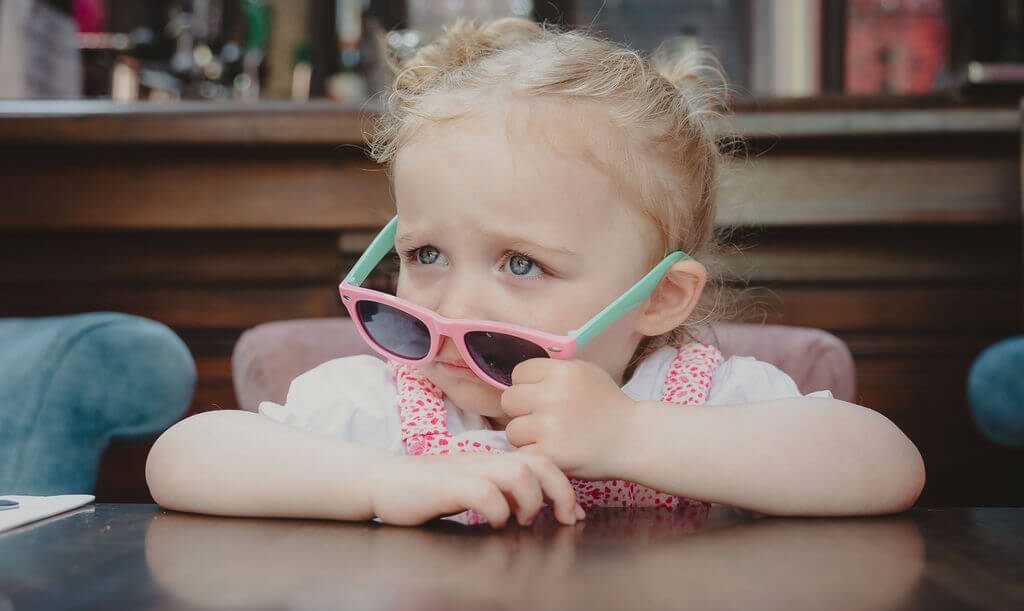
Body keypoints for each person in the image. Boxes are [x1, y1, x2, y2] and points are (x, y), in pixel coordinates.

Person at [146, 17, 925, 528]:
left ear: (658, 296)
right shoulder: (385, 407)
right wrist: (381, 482)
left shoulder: (707, 401)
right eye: (425, 255)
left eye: (520, 262)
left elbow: (886, 465)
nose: (452, 305)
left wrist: (632, 433)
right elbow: (183, 458)